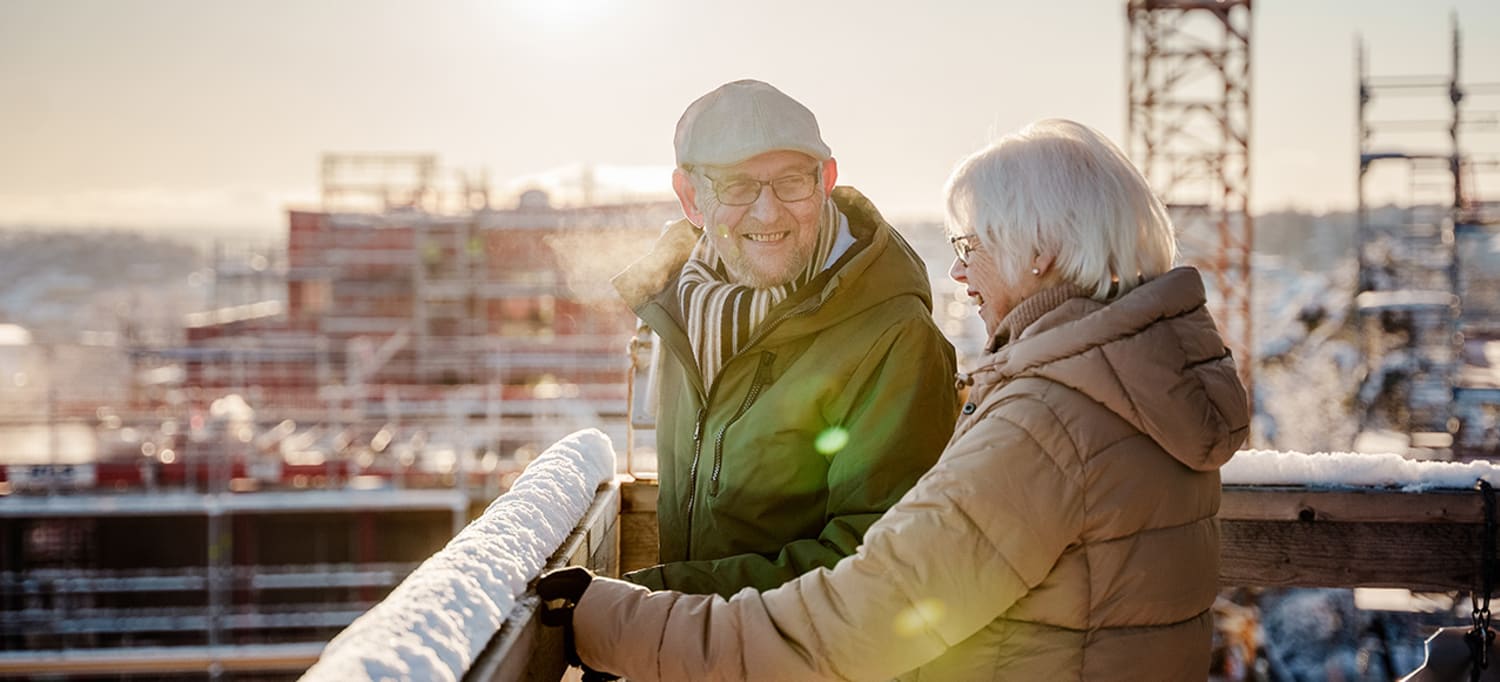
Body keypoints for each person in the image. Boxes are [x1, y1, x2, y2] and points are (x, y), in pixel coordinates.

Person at [539, 118, 1251, 680]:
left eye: (972, 244)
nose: (958, 271)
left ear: (1039, 252)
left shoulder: (1052, 423)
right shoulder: (1136, 383)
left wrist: (612, 618)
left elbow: (849, 627)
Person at [608, 79, 960, 598]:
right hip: (699, 652)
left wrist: (661, 601)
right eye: (737, 186)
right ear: (691, 198)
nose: (768, 212)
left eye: (792, 182)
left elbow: (874, 560)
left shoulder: (894, 336)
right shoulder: (685, 311)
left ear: (826, 180)